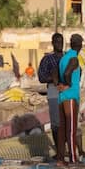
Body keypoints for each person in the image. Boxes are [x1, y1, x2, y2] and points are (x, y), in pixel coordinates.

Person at [57, 34, 85, 165]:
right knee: (71, 129)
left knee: (62, 130)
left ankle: (61, 159)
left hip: (61, 97)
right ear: (80, 45)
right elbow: (68, 73)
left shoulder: (63, 58)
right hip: (71, 97)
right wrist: (68, 85)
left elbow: (56, 75)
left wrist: (60, 85)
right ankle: (74, 159)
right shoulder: (74, 59)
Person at [36, 32, 65, 160]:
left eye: (61, 41)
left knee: (67, 120)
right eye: (57, 41)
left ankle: (65, 148)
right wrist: (54, 79)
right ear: (53, 43)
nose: (60, 44)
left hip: (67, 89)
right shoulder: (47, 59)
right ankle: (59, 150)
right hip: (53, 90)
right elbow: (41, 77)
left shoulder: (68, 57)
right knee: (55, 122)